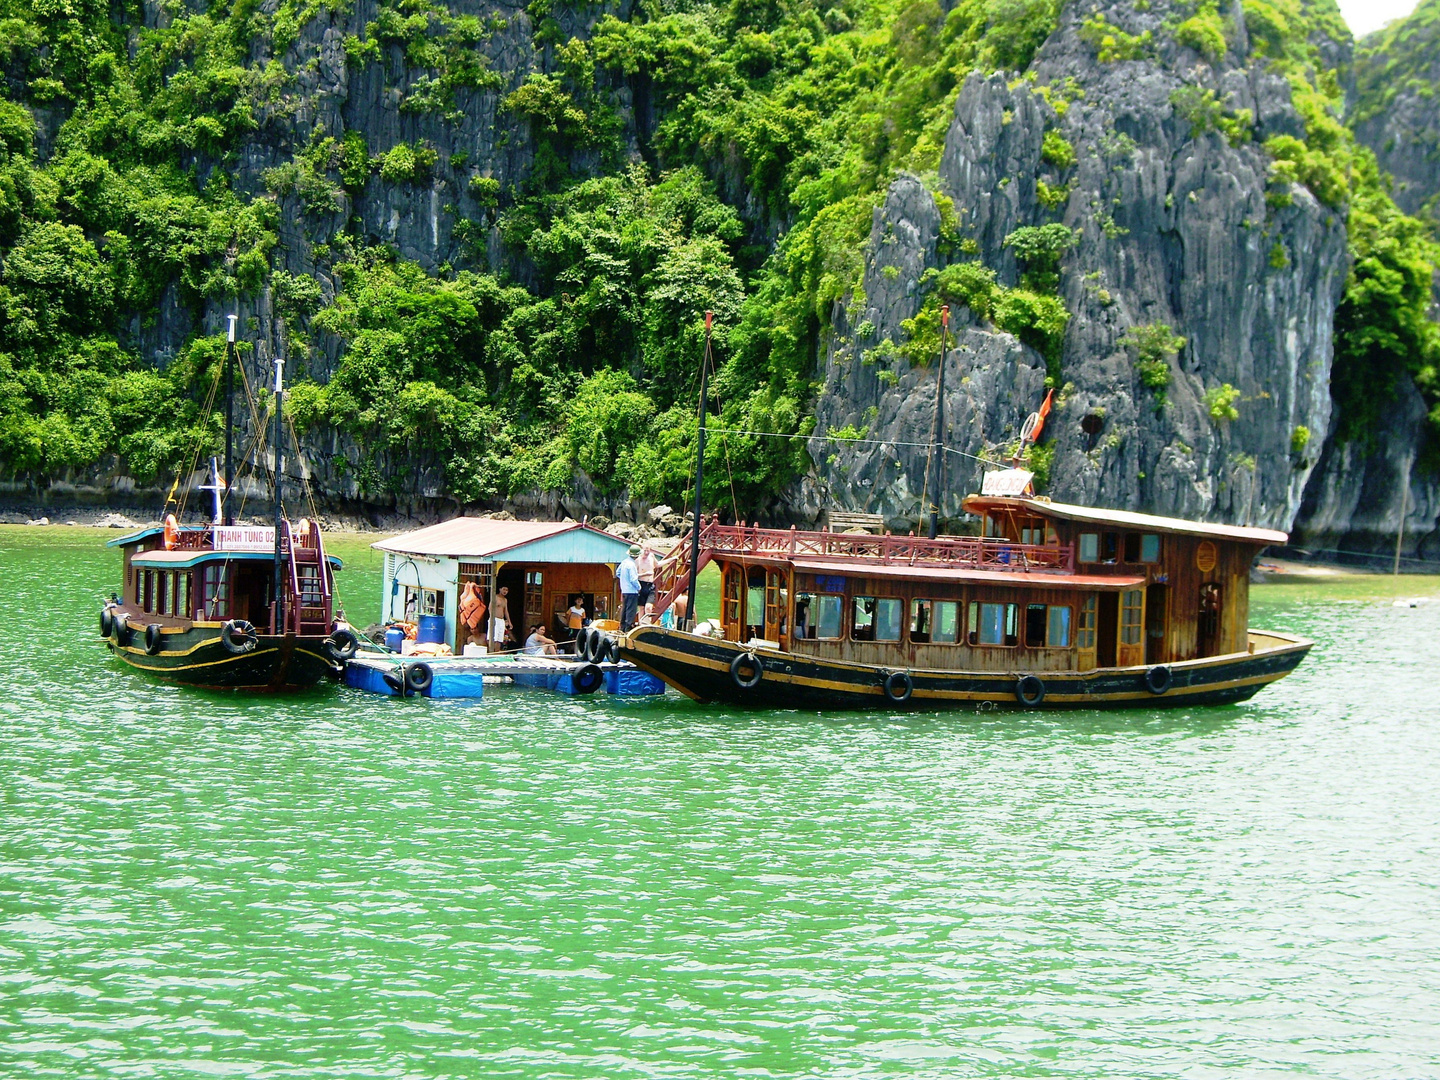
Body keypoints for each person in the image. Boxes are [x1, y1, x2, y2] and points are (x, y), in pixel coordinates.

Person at [617, 544, 642, 631]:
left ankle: (622, 627)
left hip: (624, 590)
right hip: (632, 591)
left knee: (624, 609)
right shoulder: (632, 565)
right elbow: (633, 579)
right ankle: (628, 629)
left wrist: (624, 580)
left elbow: (618, 573)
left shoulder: (624, 562)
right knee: (631, 611)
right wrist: (639, 587)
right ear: (637, 555)